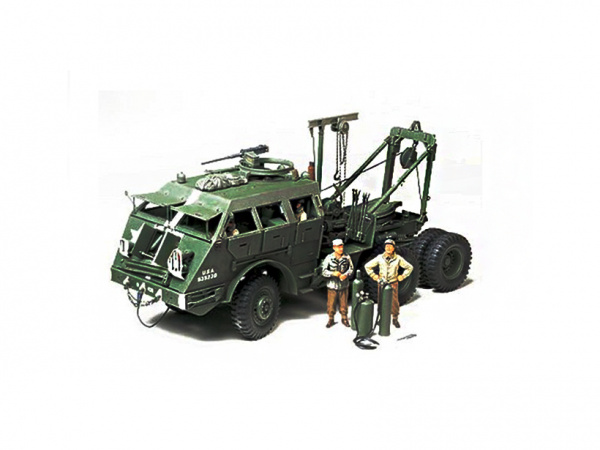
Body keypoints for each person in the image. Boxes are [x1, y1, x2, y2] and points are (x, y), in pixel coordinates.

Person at [364, 239, 413, 328]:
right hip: (382, 283)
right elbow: (367, 266)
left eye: (390, 246)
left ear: (394, 248)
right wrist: (374, 276)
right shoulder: (380, 258)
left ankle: (395, 318)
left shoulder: (398, 259)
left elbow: (409, 267)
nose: (388, 248)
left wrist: (402, 276)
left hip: (393, 283)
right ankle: (381, 318)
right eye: (387, 246)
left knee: (394, 302)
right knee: (381, 301)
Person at [321, 239, 354, 328]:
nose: (341, 249)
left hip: (343, 285)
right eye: (338, 247)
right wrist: (332, 273)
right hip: (332, 285)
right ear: (334, 248)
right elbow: (324, 271)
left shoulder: (347, 257)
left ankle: (344, 318)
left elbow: (351, 268)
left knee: (344, 304)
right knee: (331, 304)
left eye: (341, 246)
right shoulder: (329, 258)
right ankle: (331, 319)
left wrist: (346, 275)